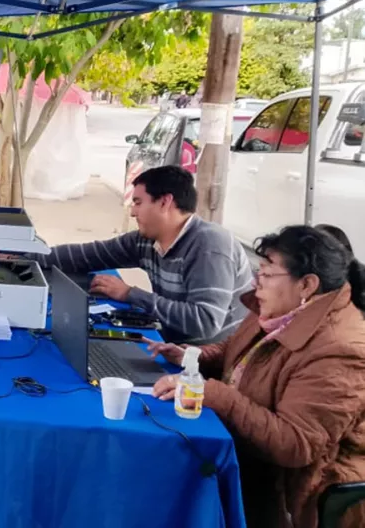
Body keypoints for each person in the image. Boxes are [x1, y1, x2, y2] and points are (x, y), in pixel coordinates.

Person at [149, 226, 365, 528]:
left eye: (266, 274)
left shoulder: (339, 350)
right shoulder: (283, 310)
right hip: (248, 455)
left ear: (306, 285)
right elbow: (238, 353)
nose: (256, 282)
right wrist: (192, 355)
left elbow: (296, 444)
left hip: (294, 490)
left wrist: (218, 396)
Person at [27, 166, 252, 344]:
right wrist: (26, 255)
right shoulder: (146, 240)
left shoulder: (209, 247)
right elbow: (87, 255)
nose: (133, 212)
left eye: (138, 202)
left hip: (208, 362)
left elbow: (205, 322)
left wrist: (130, 294)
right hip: (170, 342)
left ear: (165, 202)